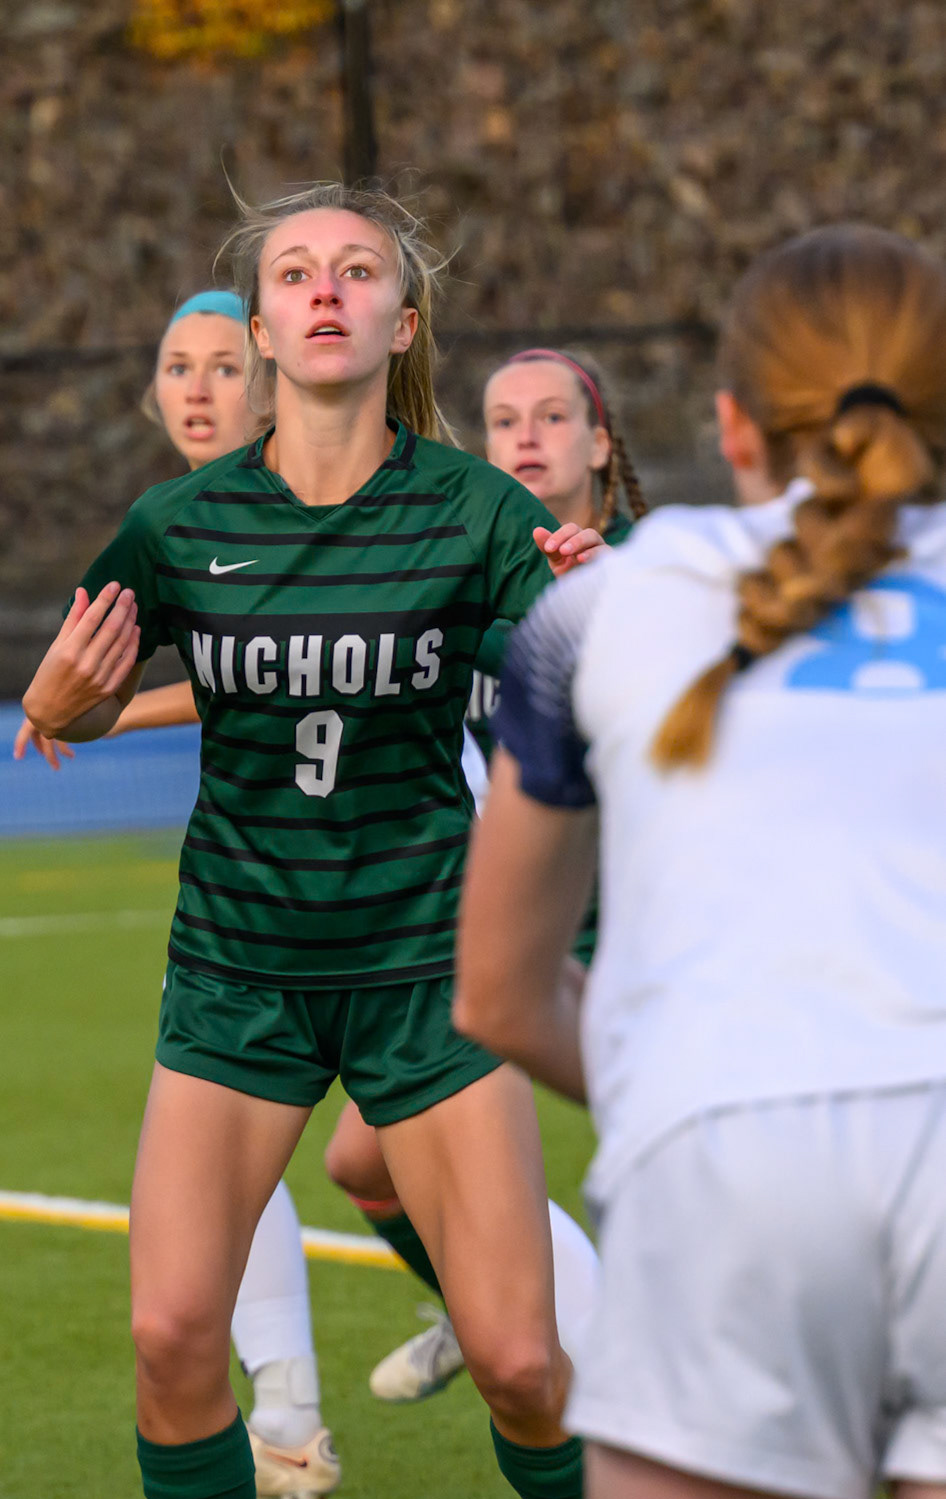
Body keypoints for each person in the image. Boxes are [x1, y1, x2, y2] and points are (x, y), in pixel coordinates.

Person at [20, 181, 627, 1499]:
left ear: (399, 323)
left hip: (423, 976)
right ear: (261, 327)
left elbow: (575, 678)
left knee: (520, 1361)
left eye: (358, 270)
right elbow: (64, 692)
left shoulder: (470, 512)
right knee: (168, 1335)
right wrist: (58, 696)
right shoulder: (178, 525)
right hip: (239, 975)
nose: (325, 291)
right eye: (293, 272)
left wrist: (590, 607)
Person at [456, 221, 946, 1499]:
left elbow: (498, 990)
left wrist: (693, 1086)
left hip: (724, 1184)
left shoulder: (602, 603)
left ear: (728, 427)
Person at [15, 290, 340, 1499]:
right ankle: (289, 1410)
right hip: (272, 892)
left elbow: (280, 666)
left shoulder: (323, 494)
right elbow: (225, 671)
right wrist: (77, 701)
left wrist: (102, 715)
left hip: (397, 875)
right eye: (174, 365)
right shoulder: (185, 522)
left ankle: (604, 1376)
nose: (197, 387)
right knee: (240, 1151)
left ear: (270, 375)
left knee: (417, 1171)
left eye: (220, 363)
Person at [330, 342, 647, 1405]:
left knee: (679, 1165)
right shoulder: (465, 568)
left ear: (600, 446)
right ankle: (481, 1308)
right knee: (361, 1164)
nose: (524, 436)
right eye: (504, 419)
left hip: (646, 927)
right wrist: (103, 711)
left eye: (552, 416)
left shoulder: (656, 572)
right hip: (517, 926)